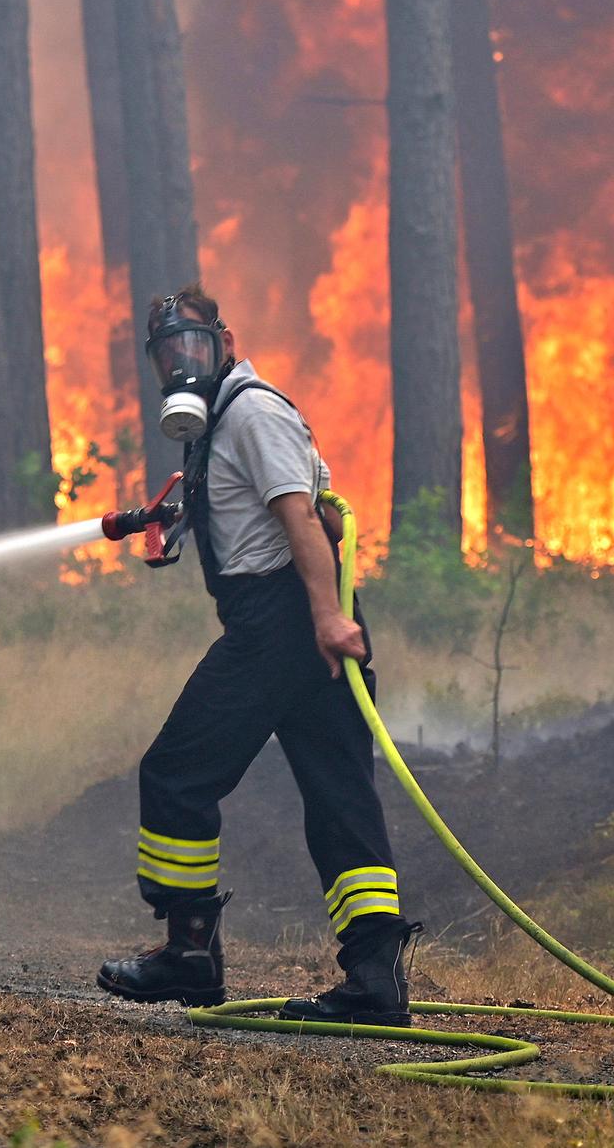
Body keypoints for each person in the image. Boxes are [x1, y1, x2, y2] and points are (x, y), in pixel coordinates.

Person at [95, 285, 421, 1025]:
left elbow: (301, 516)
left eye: (195, 348)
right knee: (339, 795)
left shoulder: (252, 411)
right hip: (299, 617)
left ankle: (189, 954)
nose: (183, 363)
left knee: (177, 772)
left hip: (285, 619)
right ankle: (375, 981)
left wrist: (328, 619)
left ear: (227, 343)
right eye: (167, 354)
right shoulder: (217, 426)